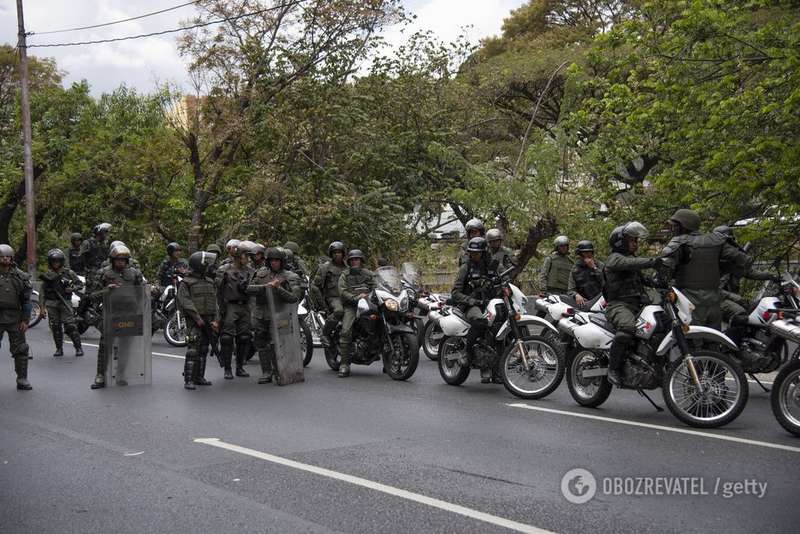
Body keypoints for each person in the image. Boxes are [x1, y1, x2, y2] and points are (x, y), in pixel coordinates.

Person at [659, 209, 749, 329]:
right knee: (714, 339)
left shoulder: (679, 242)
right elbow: (744, 260)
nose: (673, 229)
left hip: (689, 302)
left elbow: (663, 269)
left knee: (690, 341)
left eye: (675, 226)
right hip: (714, 301)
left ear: (684, 226)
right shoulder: (716, 240)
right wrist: (722, 270)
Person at [603, 223, 662, 386]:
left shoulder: (631, 261)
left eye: (636, 240)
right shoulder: (615, 258)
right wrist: (653, 261)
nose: (635, 243)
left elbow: (645, 280)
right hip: (619, 305)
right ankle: (613, 368)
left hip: (638, 305)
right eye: (632, 240)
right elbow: (631, 264)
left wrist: (661, 282)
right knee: (628, 327)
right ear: (620, 242)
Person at [91, 245, 144, 389]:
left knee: (125, 346)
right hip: (110, 314)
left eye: (123, 259)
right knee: (105, 346)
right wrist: (106, 290)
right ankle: (101, 375)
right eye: (118, 259)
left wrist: (141, 309)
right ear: (112, 260)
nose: (120, 262)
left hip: (129, 314)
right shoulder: (104, 273)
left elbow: (142, 294)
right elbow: (92, 295)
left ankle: (121, 374)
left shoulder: (135, 273)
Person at [246, 248, 302, 383]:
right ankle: (266, 372)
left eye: (277, 260)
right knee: (261, 342)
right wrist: (265, 287)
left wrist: (278, 288)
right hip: (261, 313)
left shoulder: (290, 276)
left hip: (280, 314)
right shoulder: (261, 273)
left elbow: (294, 297)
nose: (274, 263)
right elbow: (249, 289)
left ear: (282, 261)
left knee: (277, 343)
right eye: (271, 260)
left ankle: (282, 370)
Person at [451, 237, 500, 383]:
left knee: (499, 327)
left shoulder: (491, 267)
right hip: (471, 305)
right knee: (480, 322)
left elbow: (503, 279)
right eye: (472, 252)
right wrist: (472, 300)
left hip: (489, 302)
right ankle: (467, 352)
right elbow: (455, 293)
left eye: (478, 252)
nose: (474, 255)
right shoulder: (465, 267)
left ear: (484, 253)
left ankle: (496, 370)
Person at [177, 251, 219, 390]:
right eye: (206, 264)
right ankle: (189, 380)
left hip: (208, 320)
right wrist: (197, 318)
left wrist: (216, 320)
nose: (209, 267)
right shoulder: (186, 282)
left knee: (204, 349)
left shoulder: (210, 281)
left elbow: (215, 302)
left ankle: (200, 377)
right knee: (193, 350)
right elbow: (185, 302)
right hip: (194, 321)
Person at [215, 241, 254, 379]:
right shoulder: (224, 270)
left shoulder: (250, 271)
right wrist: (219, 310)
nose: (247, 258)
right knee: (226, 338)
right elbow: (217, 290)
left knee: (244, 337)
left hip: (245, 305)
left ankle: (240, 367)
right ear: (238, 255)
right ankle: (227, 369)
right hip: (229, 305)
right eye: (245, 255)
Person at [336, 249, 375, 378]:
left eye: (357, 259)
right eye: (352, 260)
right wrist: (355, 298)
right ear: (349, 261)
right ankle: (344, 364)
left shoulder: (368, 273)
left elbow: (378, 285)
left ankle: (387, 360)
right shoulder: (345, 275)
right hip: (351, 305)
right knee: (346, 331)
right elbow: (342, 291)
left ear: (361, 260)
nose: (355, 261)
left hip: (369, 304)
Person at [40, 249, 84, 357]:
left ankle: (78, 348)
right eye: (54, 261)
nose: (56, 263)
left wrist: (71, 289)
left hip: (65, 302)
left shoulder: (69, 273)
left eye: (58, 261)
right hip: (51, 303)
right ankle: (59, 349)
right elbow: (42, 293)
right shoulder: (47, 275)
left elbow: (80, 284)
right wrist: (42, 308)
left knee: (70, 326)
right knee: (55, 326)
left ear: (61, 262)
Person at [0, 244, 33, 390]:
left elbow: (26, 300)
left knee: (21, 349)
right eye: (2, 256)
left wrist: (25, 320)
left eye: (8, 256)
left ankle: (22, 378)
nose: (5, 259)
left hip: (15, 316)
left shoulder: (20, 276)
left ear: (12, 258)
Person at [313, 241, 347, 347]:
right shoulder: (325, 268)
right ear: (331, 254)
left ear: (343, 253)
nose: (337, 254)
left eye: (339, 252)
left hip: (348, 296)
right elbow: (315, 286)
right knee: (339, 311)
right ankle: (325, 334)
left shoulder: (348, 268)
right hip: (333, 297)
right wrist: (322, 304)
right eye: (335, 252)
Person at [567, 240, 605, 307]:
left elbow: (606, 283)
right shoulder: (575, 269)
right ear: (580, 254)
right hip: (585, 303)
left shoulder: (600, 265)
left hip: (601, 301)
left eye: (589, 252)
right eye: (585, 253)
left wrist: (594, 268)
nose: (588, 255)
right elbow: (570, 290)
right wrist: (576, 295)